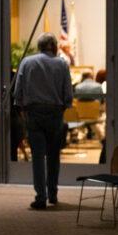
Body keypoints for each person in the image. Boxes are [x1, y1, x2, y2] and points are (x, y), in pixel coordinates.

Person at [13, 33, 73, 209]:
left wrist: (23, 108)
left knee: (38, 157)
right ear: (54, 47)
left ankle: (40, 197)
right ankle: (53, 193)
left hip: (34, 114)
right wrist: (64, 106)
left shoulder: (27, 62)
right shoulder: (62, 63)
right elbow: (67, 91)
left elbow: (18, 91)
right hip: (55, 113)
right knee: (54, 156)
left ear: (39, 47)